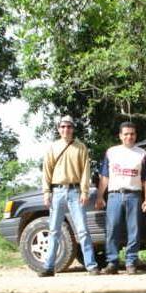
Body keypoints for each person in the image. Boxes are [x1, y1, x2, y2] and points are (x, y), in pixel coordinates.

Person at [39, 115, 99, 277]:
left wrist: (85, 191)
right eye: (63, 126)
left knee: (83, 230)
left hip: (75, 192)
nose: (66, 129)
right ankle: (49, 266)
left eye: (69, 126)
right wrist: (46, 192)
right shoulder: (52, 147)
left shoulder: (80, 147)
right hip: (57, 192)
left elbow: (86, 171)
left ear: (73, 128)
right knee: (54, 231)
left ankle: (91, 265)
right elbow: (46, 171)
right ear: (59, 129)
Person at [95, 122, 146, 275]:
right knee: (112, 229)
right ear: (120, 136)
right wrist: (100, 196)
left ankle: (131, 263)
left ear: (136, 135)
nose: (129, 136)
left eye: (132, 134)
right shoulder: (111, 152)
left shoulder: (142, 154)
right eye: (126, 134)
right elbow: (104, 176)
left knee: (134, 231)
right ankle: (112, 263)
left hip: (134, 195)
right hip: (114, 195)